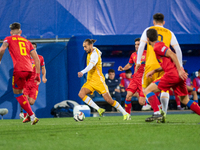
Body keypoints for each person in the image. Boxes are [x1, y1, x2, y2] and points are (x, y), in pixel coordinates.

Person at [144, 28, 200, 122]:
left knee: (148, 90)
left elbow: (173, 55)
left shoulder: (157, 47)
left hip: (173, 74)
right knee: (185, 100)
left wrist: (180, 70)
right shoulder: (160, 46)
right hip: (178, 75)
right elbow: (168, 62)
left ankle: (157, 113)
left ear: (148, 39)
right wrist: (154, 71)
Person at [135, 13, 183, 121]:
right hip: (163, 65)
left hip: (150, 65)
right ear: (164, 22)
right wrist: (180, 66)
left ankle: (155, 110)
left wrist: (138, 62)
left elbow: (142, 45)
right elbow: (178, 50)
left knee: (145, 89)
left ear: (153, 22)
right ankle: (164, 113)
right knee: (164, 89)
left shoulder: (148, 30)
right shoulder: (169, 32)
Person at [78, 39, 130, 120]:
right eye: (83, 47)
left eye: (85, 46)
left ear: (90, 45)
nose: (84, 48)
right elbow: (99, 52)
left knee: (109, 100)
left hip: (99, 81)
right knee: (81, 94)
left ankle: (125, 113)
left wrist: (82, 72)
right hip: (90, 81)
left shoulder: (95, 54)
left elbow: (91, 66)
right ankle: (99, 109)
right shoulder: (93, 51)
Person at [0, 22, 40, 125]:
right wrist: (38, 75)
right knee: (23, 93)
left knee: (17, 94)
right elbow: (37, 60)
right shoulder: (27, 41)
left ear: (11, 31)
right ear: (20, 31)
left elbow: (2, 49)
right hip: (30, 71)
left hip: (19, 70)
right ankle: (29, 115)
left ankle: (32, 116)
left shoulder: (8, 39)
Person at [118, 38, 150, 114]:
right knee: (128, 96)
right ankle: (127, 115)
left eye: (138, 44)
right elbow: (129, 64)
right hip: (135, 78)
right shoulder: (133, 55)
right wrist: (123, 68)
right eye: (135, 44)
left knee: (141, 102)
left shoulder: (147, 54)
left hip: (143, 79)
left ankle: (153, 105)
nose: (136, 46)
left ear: (142, 45)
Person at [22, 42, 47, 123]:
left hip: (35, 83)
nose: (32, 50)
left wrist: (43, 77)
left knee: (31, 102)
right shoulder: (26, 58)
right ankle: (26, 116)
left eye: (33, 48)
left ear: (36, 49)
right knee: (24, 99)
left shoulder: (40, 58)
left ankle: (28, 115)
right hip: (26, 82)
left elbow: (43, 68)